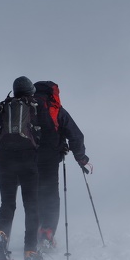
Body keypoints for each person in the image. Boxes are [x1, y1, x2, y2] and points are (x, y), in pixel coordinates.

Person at [0, 76, 43, 260]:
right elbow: (47, 133)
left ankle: (1, 241)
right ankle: (31, 252)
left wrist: (3, 146)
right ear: (30, 91)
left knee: (7, 204)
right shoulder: (34, 106)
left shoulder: (3, 106)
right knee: (31, 206)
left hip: (4, 161)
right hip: (29, 161)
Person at [32, 80, 90, 250]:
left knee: (34, 194)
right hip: (50, 159)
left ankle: (33, 232)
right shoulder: (56, 110)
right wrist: (81, 158)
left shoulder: (26, 107)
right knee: (50, 195)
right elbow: (75, 135)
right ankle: (47, 231)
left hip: (28, 158)